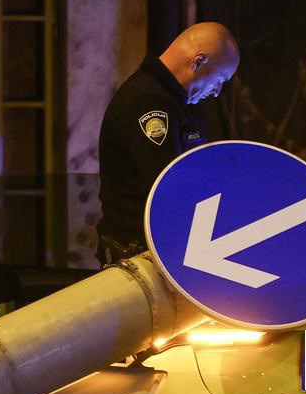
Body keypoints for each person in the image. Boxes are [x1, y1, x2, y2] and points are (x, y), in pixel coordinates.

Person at [98, 21, 240, 261]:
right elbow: (171, 185)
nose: (217, 92)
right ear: (198, 61)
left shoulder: (181, 105)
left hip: (166, 247)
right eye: (220, 80)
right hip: (138, 253)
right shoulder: (147, 103)